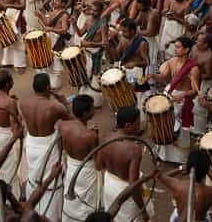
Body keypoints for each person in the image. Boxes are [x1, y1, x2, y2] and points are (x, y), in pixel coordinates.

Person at [19, 73, 71, 220]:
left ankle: (33, 207)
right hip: (48, 146)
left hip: (31, 144)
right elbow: (72, 122)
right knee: (51, 180)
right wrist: (65, 103)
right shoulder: (55, 107)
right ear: (48, 87)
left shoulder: (23, 103)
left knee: (34, 176)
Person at [95, 106, 152, 222]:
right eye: (137, 123)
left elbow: (98, 166)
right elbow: (133, 186)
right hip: (125, 192)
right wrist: (143, 211)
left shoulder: (105, 137)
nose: (139, 126)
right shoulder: (134, 150)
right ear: (128, 126)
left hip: (109, 185)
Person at [152, 37, 200, 163]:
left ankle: (180, 159)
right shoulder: (172, 61)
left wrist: (182, 95)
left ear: (186, 50)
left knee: (179, 129)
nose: (175, 49)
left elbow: (195, 91)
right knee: (164, 125)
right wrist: (152, 75)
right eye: (175, 46)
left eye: (178, 47)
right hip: (170, 93)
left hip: (182, 98)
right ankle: (163, 154)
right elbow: (162, 76)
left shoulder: (193, 68)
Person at [58, 94, 99, 222]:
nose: (95, 111)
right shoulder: (90, 136)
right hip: (86, 172)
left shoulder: (62, 126)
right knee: (88, 202)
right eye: (92, 109)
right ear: (86, 113)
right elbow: (97, 162)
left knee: (74, 199)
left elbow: (61, 145)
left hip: (71, 166)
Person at [158, 150, 212, 222]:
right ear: (205, 171)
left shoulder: (179, 186)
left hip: (178, 218)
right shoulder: (211, 191)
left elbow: (162, 176)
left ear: (189, 167)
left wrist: (180, 168)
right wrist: (209, 172)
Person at [0, 69, 23, 199]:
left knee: (0, 161)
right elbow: (14, 127)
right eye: (11, 79)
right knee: (10, 167)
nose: (13, 81)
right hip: (7, 136)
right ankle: (12, 197)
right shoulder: (10, 103)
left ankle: (1, 188)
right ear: (7, 85)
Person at [0, 0, 27, 72]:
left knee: (18, 40)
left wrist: (9, 6)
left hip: (17, 15)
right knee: (8, 38)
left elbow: (23, 6)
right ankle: (7, 62)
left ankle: (20, 64)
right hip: (8, 14)